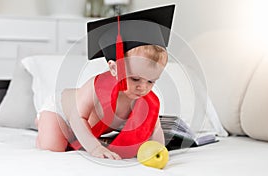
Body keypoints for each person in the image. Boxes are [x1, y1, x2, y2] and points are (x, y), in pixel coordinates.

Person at [35, 5, 175, 159]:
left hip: (88, 128)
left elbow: (155, 130)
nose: (143, 87)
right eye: (135, 78)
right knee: (54, 147)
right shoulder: (95, 87)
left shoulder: (147, 102)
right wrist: (95, 149)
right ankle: (42, 124)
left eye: (151, 81)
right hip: (63, 113)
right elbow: (76, 117)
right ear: (114, 68)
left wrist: (159, 152)